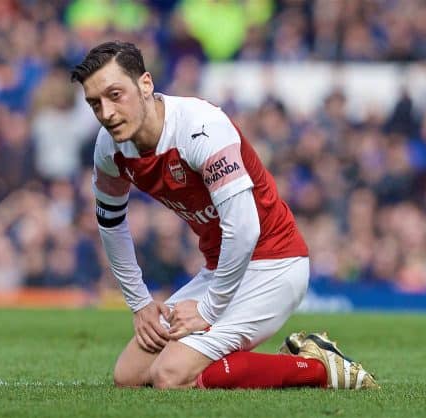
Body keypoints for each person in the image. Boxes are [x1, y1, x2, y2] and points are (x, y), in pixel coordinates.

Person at [70, 41, 378, 390]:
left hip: (274, 264)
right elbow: (111, 223)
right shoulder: (109, 147)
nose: (107, 112)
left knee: (170, 376)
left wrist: (209, 310)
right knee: (128, 377)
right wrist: (140, 303)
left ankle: (319, 367)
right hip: (222, 269)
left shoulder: (201, 127)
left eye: (115, 94)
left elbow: (244, 229)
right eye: (95, 103)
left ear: (145, 84)